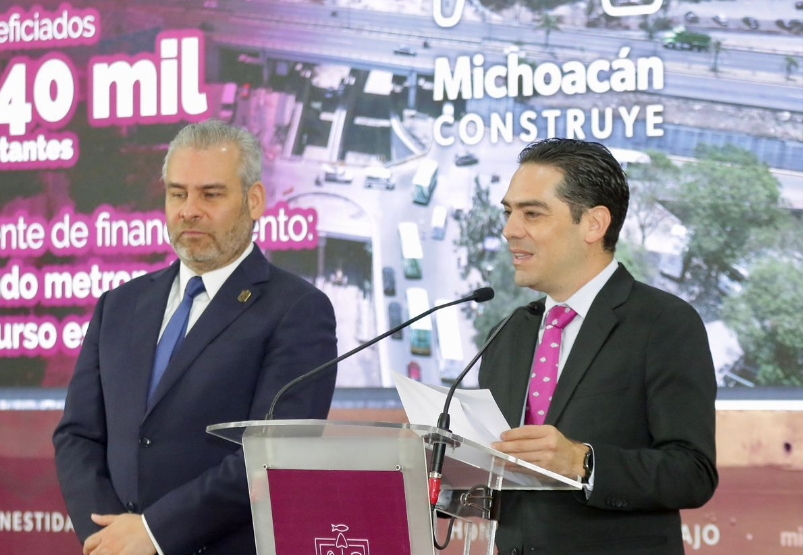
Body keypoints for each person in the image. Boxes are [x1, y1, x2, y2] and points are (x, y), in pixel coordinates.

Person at [53, 120, 338, 555]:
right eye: (178, 193)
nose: (189, 210)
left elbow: (273, 457)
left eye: (210, 194)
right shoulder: (119, 305)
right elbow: (78, 436)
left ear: (254, 200)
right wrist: (110, 537)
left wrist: (153, 534)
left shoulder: (298, 310)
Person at [479, 138, 717, 555]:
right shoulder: (508, 333)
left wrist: (582, 462)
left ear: (593, 224)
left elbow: (692, 473)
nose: (510, 230)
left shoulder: (663, 322)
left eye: (532, 213)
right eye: (508, 212)